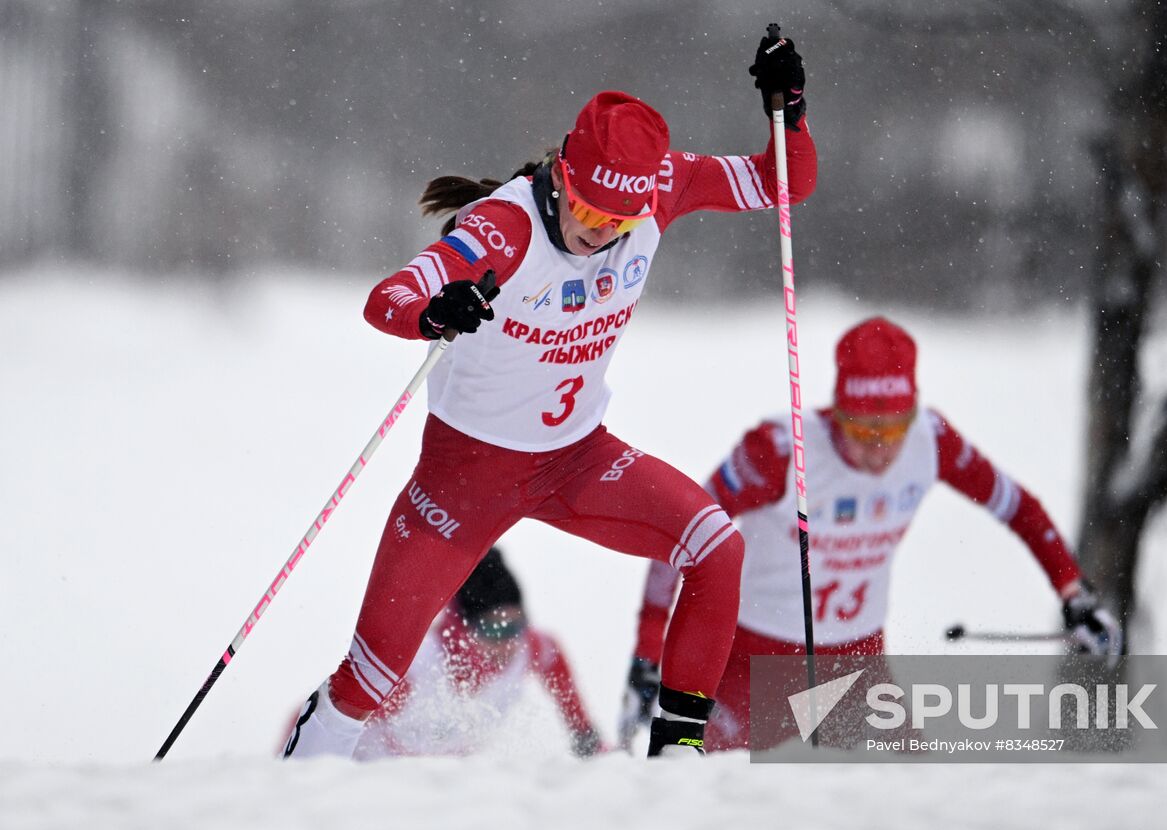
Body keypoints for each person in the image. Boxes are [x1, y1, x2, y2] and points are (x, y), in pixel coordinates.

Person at [282, 29, 816, 759]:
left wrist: (789, 115)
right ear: (564, 176)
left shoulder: (659, 187)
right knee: (364, 686)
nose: (600, 235)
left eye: (618, 223)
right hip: (462, 483)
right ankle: (285, 795)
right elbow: (390, 296)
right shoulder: (503, 227)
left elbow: (782, 182)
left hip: (575, 461)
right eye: (590, 213)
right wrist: (433, 312)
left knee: (716, 544)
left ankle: (678, 756)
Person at [618, 317, 1123, 751]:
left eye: (893, 431)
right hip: (747, 668)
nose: (878, 452)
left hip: (859, 670)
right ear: (836, 412)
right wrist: (649, 651)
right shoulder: (777, 449)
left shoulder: (932, 441)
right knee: (725, 815)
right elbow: (678, 536)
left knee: (907, 813)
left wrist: (1073, 592)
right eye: (862, 432)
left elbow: (1019, 508)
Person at [337, 548, 604, 760]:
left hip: (453, 781)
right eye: (493, 630)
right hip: (381, 771)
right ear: (462, 629)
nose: (508, 642)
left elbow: (558, 671)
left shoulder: (533, 648)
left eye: (516, 625)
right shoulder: (416, 669)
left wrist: (587, 740)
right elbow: (333, 716)